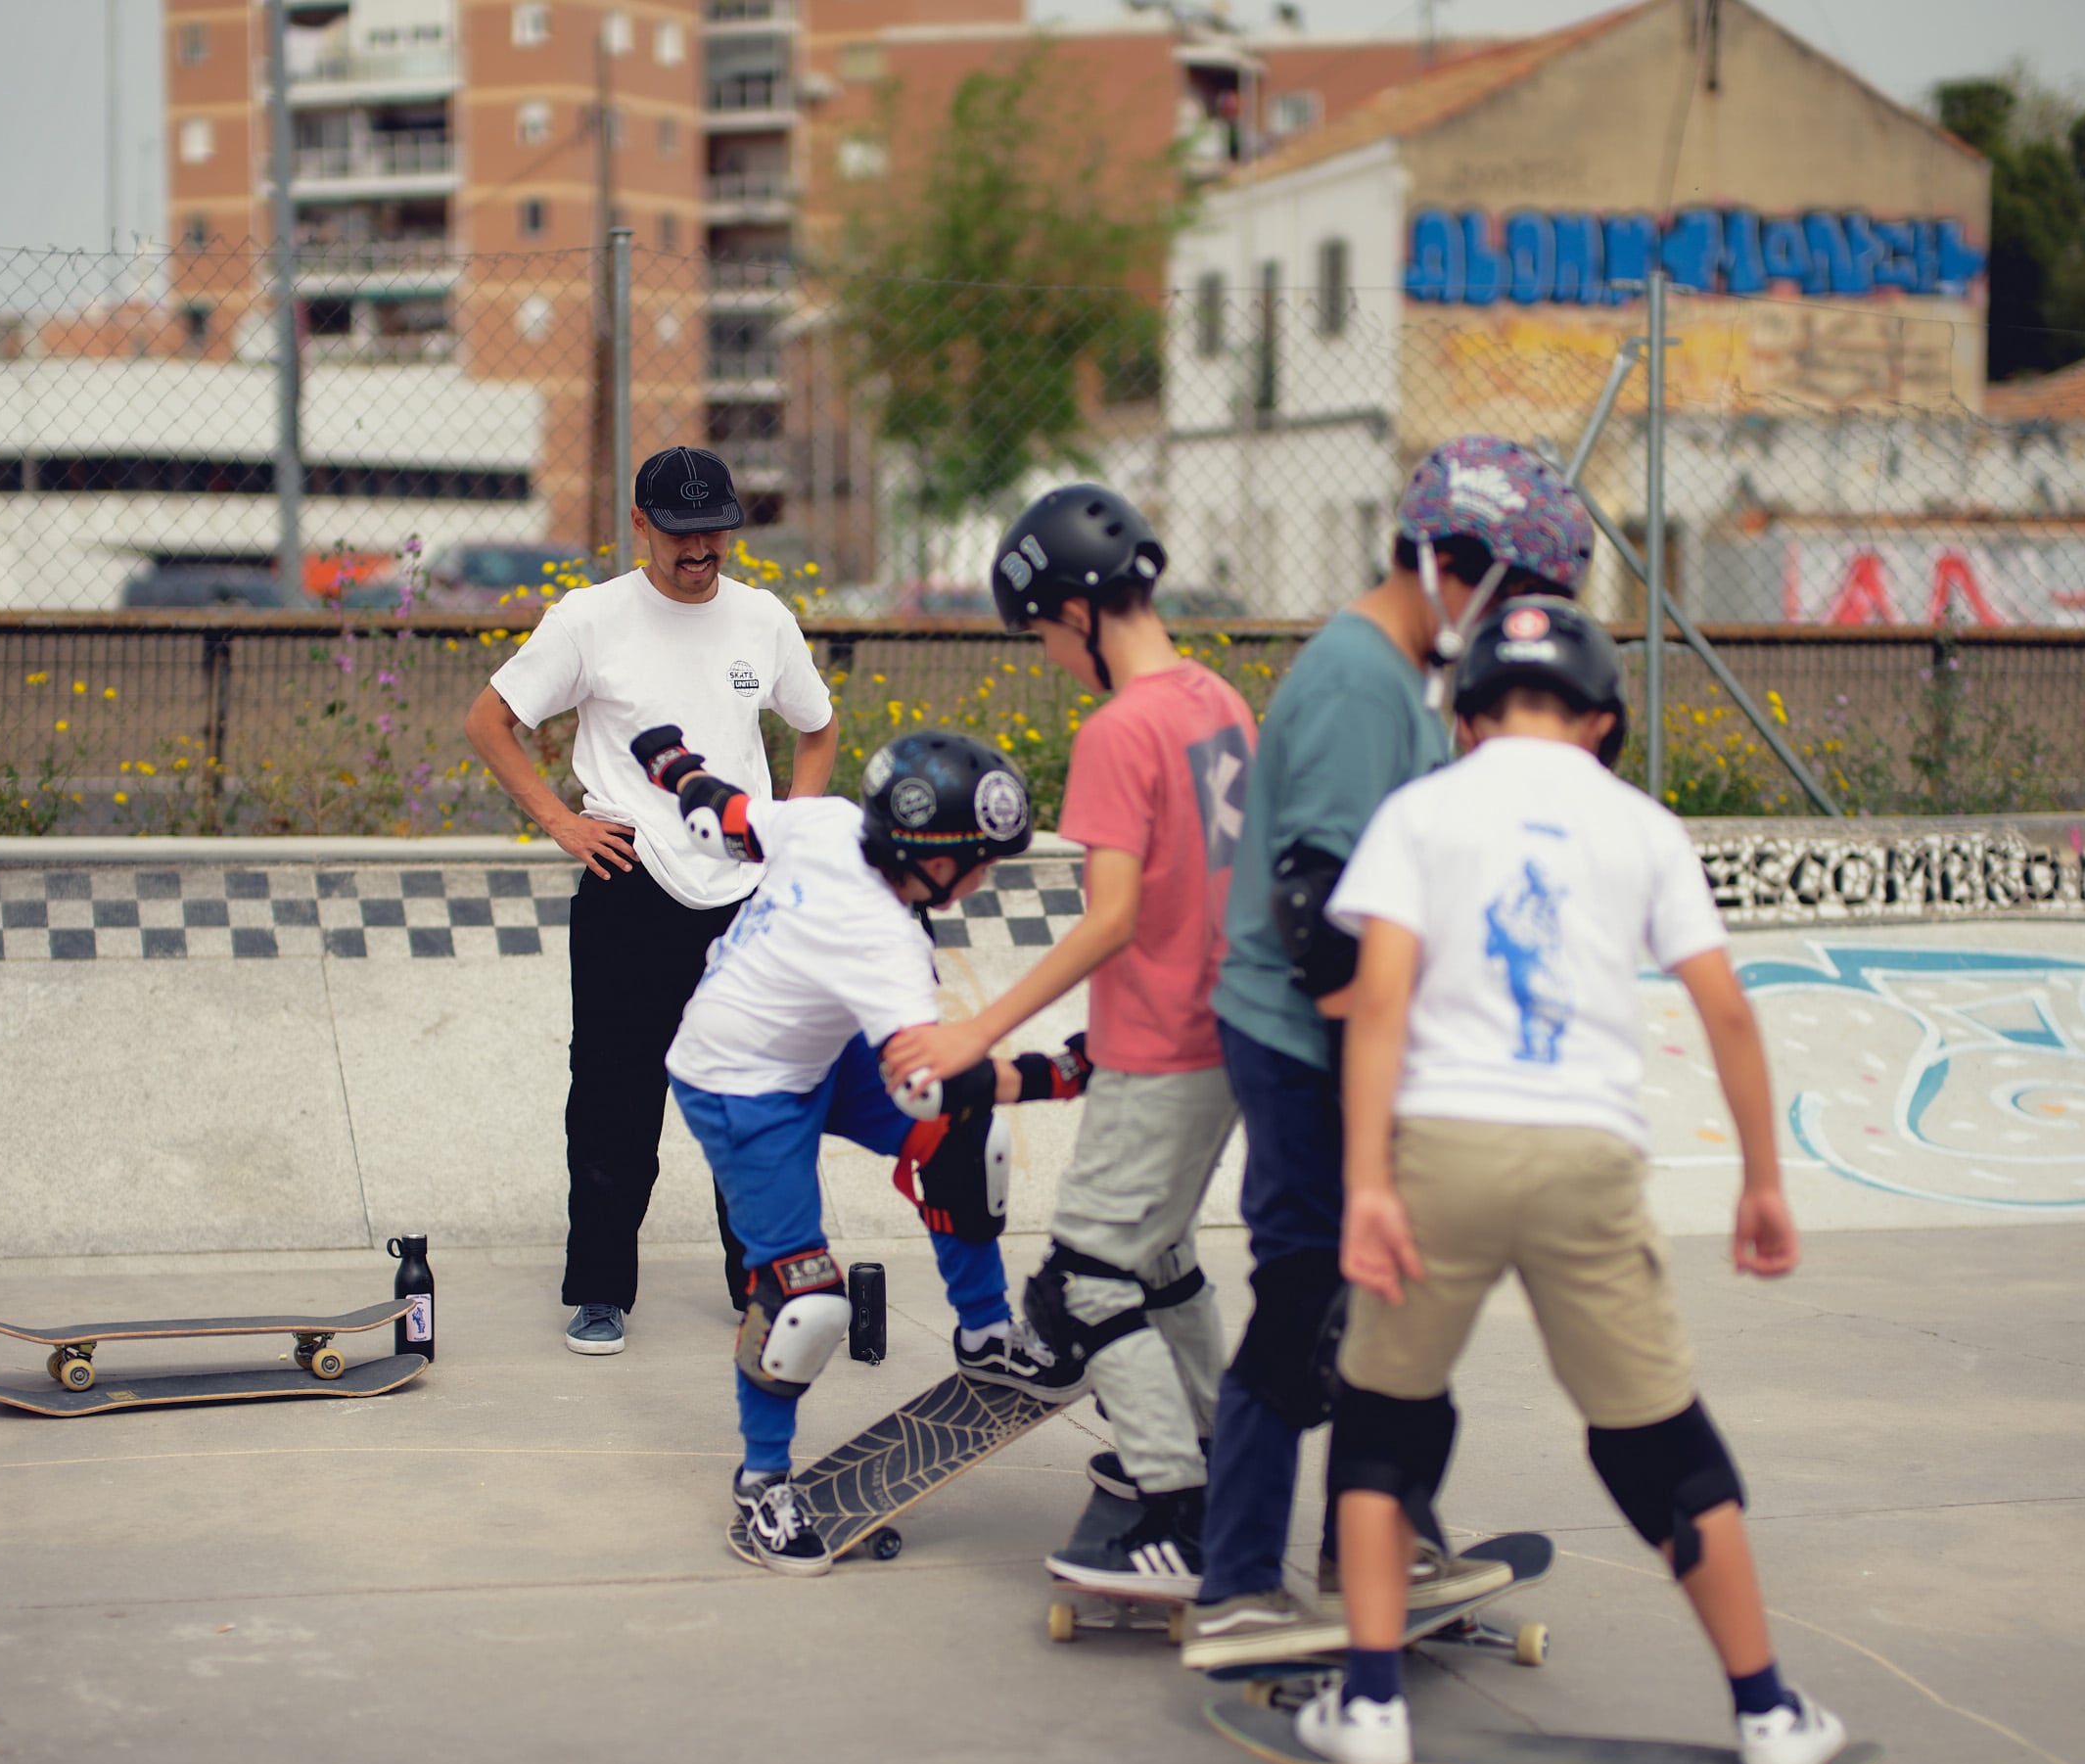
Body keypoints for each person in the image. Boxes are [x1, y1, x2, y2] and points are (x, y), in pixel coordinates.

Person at [1298, 597, 1848, 1764]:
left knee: (1382, 1416)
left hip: (1444, 1144)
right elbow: (1728, 1009)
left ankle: (1372, 1700)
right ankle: (1767, 1711)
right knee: (1657, 1440)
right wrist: (1763, 1180)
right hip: (1587, 1159)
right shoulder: (1640, 824)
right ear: (1602, 719)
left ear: (1468, 714)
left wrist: (1366, 1184)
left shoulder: (1421, 812)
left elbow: (1377, 1002)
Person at [1183, 438, 1596, 1667]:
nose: (1523, 633)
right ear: (1453, 562)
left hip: (1333, 1043)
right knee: (1309, 1293)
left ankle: (1383, 1534)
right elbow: (1321, 918)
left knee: (1381, 1295)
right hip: (1306, 1046)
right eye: (1521, 602)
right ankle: (1241, 1578)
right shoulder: (1361, 683)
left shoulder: (1389, 675)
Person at [883, 485, 1256, 1599]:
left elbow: (1110, 916)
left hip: (1159, 1051)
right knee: (1164, 1258)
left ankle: (1176, 1509)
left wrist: (974, 1033)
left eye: (1043, 631)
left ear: (1078, 609)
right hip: (1227, 1033)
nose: (1048, 652)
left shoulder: (1121, 727)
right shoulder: (1220, 700)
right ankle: (1225, 1451)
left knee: (1087, 1282)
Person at [635, 724, 1090, 1574]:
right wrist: (1068, 1070)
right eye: (980, 860)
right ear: (928, 855)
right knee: (804, 1300)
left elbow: (720, 818)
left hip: (814, 1050)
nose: (987, 876)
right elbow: (933, 1081)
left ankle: (986, 1335)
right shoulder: (885, 942)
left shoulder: (829, 819)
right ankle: (763, 1481)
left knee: (961, 1145)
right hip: (738, 1084)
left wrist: (670, 760)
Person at [466, 446, 839, 1356]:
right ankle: (600, 1289)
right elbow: (489, 722)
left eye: (715, 530)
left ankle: (759, 1282)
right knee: (612, 1099)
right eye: (681, 532)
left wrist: (786, 835)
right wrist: (561, 819)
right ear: (641, 525)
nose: (700, 549)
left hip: (742, 897)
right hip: (629, 883)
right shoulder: (590, 620)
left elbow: (817, 729)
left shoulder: (762, 619)